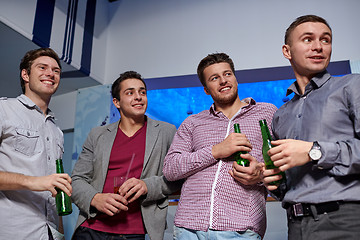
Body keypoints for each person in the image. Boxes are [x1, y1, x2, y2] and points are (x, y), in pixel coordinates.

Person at [261, 15, 360, 239]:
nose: (318, 47)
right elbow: (288, 185)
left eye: (325, 40)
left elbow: (311, 153)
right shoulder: (280, 115)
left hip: (346, 221)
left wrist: (314, 151)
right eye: (308, 39)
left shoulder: (352, 86)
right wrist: (272, 181)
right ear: (287, 51)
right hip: (295, 225)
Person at [163, 53, 278, 239]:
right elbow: (170, 168)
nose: (223, 81)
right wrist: (216, 150)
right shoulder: (193, 122)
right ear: (206, 90)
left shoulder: (267, 113)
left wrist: (261, 175)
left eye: (227, 74)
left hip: (240, 229)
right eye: (214, 78)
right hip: (188, 229)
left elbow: (284, 164)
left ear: (235, 77)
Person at [71, 71, 181, 240]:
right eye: (130, 93)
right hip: (90, 228)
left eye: (142, 92)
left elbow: (178, 179)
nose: (138, 97)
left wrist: (147, 186)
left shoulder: (167, 132)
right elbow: (77, 179)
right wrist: (94, 198)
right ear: (116, 102)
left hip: (134, 233)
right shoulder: (97, 134)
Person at [0, 48, 72, 239]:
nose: (50, 73)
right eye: (42, 67)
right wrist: (36, 181)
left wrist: (60, 232)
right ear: (25, 74)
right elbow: (43, 183)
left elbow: (55, 187)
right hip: (12, 231)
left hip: (49, 232)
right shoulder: (3, 110)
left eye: (56, 71)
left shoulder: (56, 131)